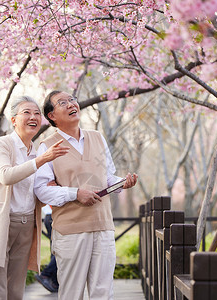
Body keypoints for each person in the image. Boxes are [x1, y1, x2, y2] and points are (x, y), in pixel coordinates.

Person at [34, 90, 138, 300]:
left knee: (103, 292)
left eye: (72, 99)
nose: (71, 104)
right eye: (62, 103)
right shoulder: (47, 146)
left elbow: (107, 176)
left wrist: (122, 183)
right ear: (51, 115)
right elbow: (41, 190)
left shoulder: (97, 138)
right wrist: (76, 194)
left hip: (103, 226)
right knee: (72, 293)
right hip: (71, 231)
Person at [0, 96, 70, 300]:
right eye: (27, 112)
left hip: (26, 225)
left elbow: (35, 190)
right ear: (14, 120)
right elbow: (6, 176)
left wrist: (51, 187)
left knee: (15, 292)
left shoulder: (37, 150)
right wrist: (42, 160)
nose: (33, 117)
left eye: (37, 114)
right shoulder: (1, 145)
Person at [35, 205, 59, 293]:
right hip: (54, 216)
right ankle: (46, 274)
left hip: (51, 217)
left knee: (55, 250)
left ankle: (55, 282)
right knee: (59, 251)